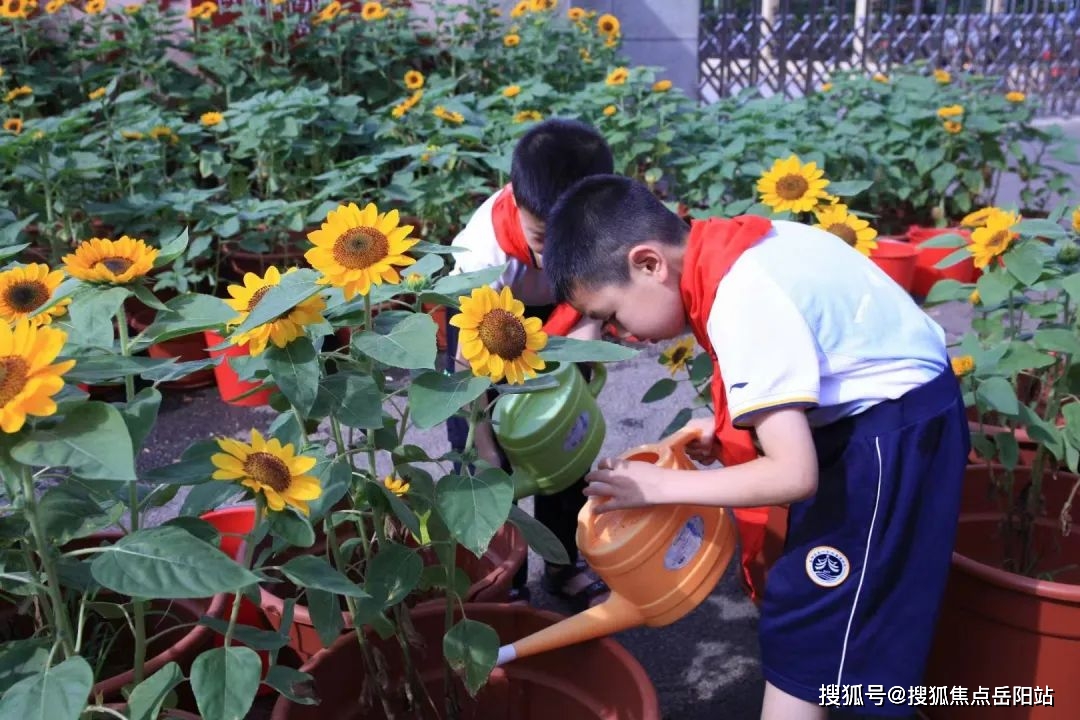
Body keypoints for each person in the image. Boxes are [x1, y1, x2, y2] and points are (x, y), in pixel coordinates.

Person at [541, 174, 969, 719]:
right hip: (900, 417)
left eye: (611, 314)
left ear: (649, 264)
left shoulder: (741, 298)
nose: (618, 334)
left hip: (889, 438)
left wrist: (658, 485)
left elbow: (793, 474)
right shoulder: (742, 247)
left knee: (808, 624)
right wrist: (727, 427)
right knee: (857, 617)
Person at [444, 118, 614, 610]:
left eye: (569, 240)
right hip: (482, 336)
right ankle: (504, 577)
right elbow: (465, 368)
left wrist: (576, 383)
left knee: (568, 452)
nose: (557, 252)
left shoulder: (597, 223)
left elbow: (589, 310)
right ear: (516, 202)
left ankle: (563, 565)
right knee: (488, 474)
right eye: (543, 240)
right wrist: (487, 449)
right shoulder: (484, 255)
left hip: (553, 325)